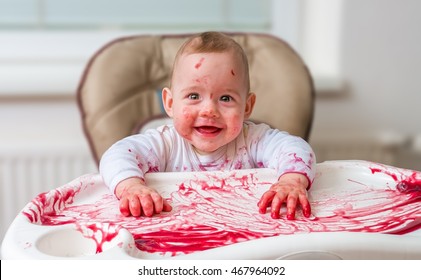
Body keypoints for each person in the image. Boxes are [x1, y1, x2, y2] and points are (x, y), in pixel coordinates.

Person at [99, 31, 316, 220]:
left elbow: (295, 148)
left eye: (226, 98)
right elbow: (116, 156)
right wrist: (132, 187)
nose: (209, 110)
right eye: (194, 95)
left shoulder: (253, 141)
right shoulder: (165, 145)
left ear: (247, 106)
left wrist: (291, 181)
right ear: (170, 103)